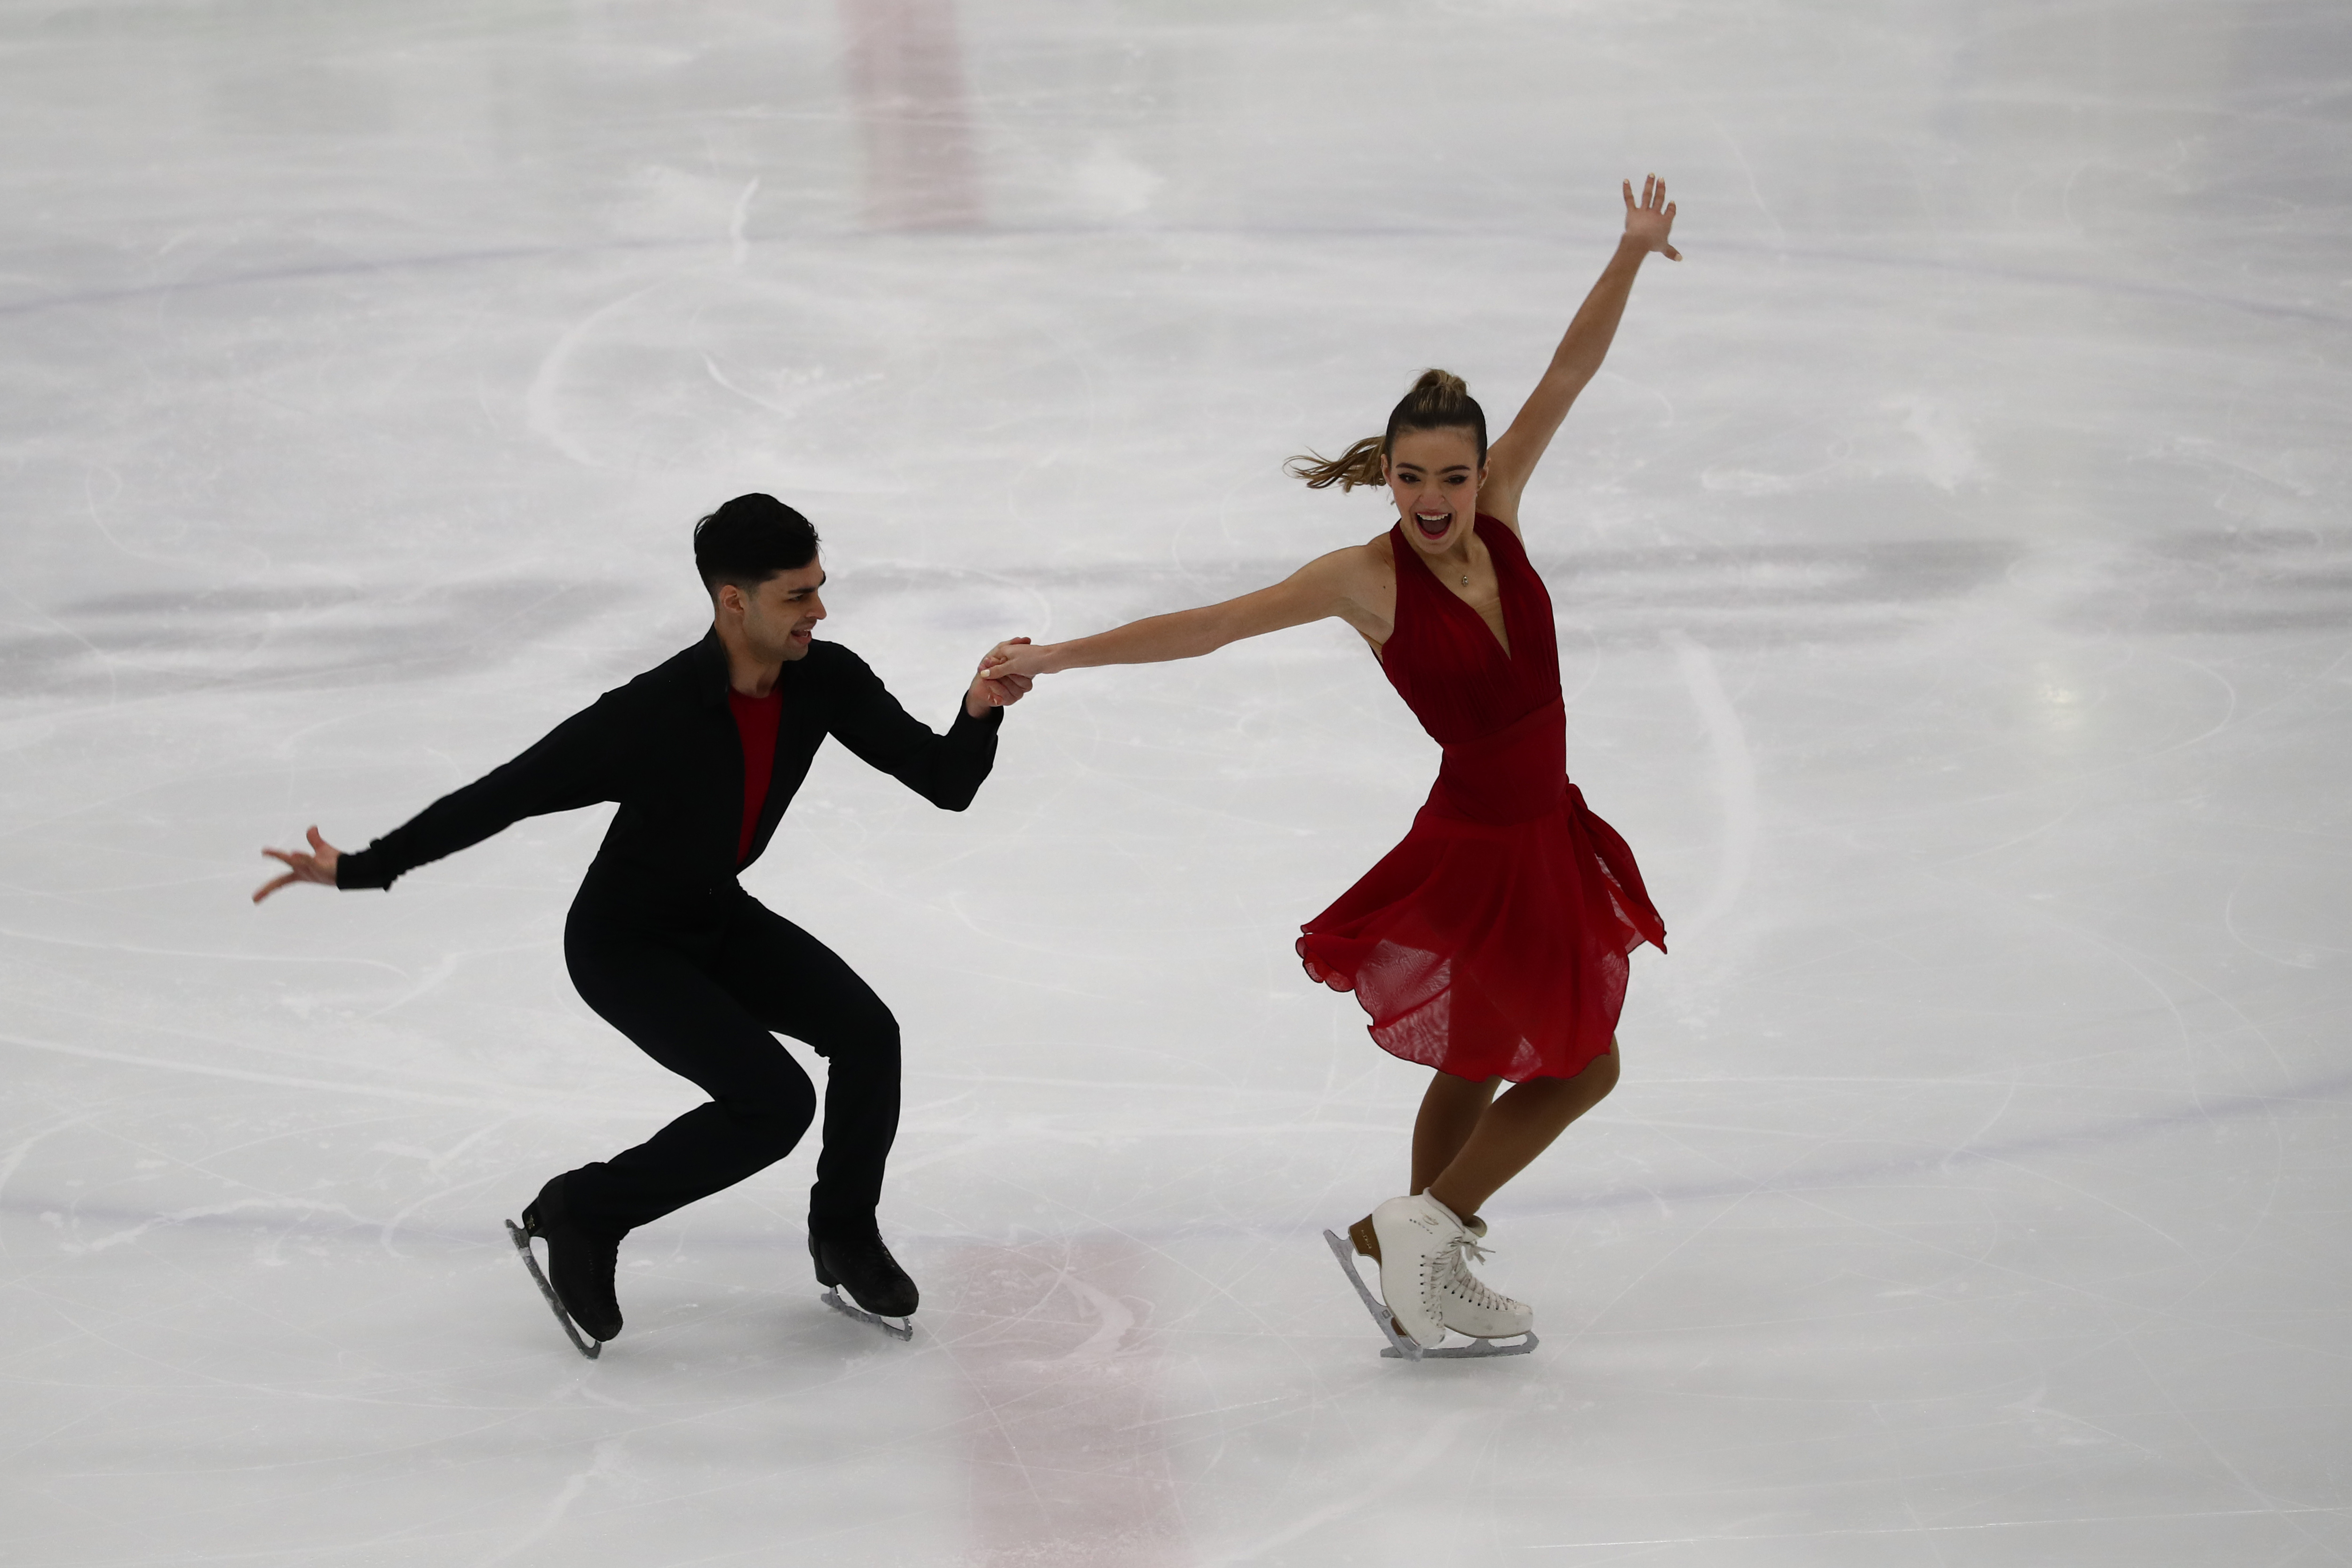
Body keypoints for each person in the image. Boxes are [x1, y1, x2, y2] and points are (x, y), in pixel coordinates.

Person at [980, 178, 1680, 1349]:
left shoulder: (1502, 508)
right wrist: (1051, 658)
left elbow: (1567, 373)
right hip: (1481, 842)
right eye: (1412, 477)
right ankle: (1425, 1226)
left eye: (1453, 476)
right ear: (1388, 473)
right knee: (1586, 1066)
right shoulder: (1363, 579)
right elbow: (1208, 624)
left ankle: (1417, 1264)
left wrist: (1626, 253)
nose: (1434, 499)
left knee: (1472, 1051)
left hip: (1541, 825)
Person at [254, 494, 1031, 1347]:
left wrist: (978, 710)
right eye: (796, 595)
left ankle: (842, 1233)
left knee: (867, 1033)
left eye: (818, 588)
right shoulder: (653, 713)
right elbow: (506, 793)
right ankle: (582, 1210)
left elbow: (943, 779)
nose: (818, 609)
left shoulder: (826, 679)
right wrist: (362, 867)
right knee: (772, 1102)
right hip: (624, 943)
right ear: (733, 600)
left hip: (714, 916)